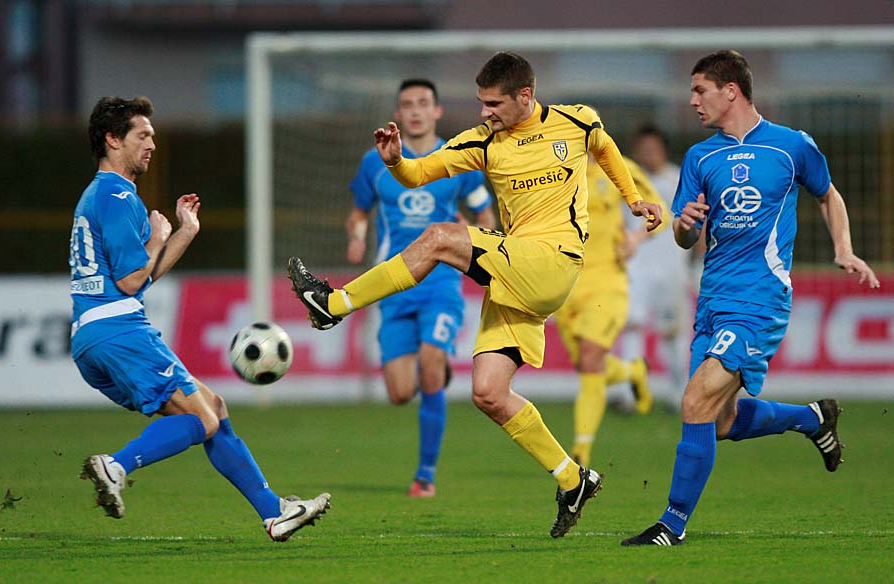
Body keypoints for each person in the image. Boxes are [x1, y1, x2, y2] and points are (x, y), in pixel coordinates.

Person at [287, 52, 662, 537]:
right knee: (488, 392)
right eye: (482, 102)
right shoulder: (482, 142)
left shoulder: (576, 121)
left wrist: (634, 199)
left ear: (525, 95)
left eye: (494, 103)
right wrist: (396, 160)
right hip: (518, 272)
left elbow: (605, 147)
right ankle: (573, 479)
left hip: (555, 262)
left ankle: (332, 304)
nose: (485, 112)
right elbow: (419, 174)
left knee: (440, 237)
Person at [622, 50, 880, 547]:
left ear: (731, 91)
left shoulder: (790, 146)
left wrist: (844, 248)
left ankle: (671, 525)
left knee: (694, 400)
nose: (693, 101)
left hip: (760, 299)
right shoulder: (700, 157)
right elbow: (682, 235)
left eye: (700, 90)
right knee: (719, 422)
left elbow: (827, 194)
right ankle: (811, 418)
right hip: (712, 299)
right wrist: (684, 224)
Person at [71, 96, 330, 542]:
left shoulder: (103, 193)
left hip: (94, 335)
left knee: (213, 408)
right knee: (202, 420)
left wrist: (183, 232)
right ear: (112, 139)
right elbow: (132, 281)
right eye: (142, 135)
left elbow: (141, 276)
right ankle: (115, 466)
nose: (152, 144)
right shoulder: (116, 195)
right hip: (120, 329)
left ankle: (275, 512)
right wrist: (158, 236)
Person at [346, 79, 496, 497]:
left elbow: (486, 217)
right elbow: (359, 213)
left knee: (430, 361)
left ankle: (425, 474)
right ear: (399, 113)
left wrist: (473, 233)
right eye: (407, 104)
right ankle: (435, 370)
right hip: (393, 285)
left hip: (441, 281)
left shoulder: (458, 159)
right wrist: (357, 236)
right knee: (398, 393)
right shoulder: (374, 161)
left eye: (423, 103)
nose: (415, 111)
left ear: (437, 111)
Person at [553, 154, 665, 468]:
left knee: (590, 358)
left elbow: (659, 210)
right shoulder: (551, 169)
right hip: (564, 285)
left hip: (606, 282)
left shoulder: (618, 168)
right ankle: (632, 372)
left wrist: (636, 238)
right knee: (586, 364)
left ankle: (581, 451)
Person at [622, 125, 698, 411]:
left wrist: (699, 261)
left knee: (673, 331)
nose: (648, 154)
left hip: (672, 267)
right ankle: (631, 393)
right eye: (643, 149)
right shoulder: (626, 182)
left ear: (663, 150)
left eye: (652, 149)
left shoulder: (679, 179)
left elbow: (697, 223)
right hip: (635, 266)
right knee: (631, 326)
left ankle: (679, 392)